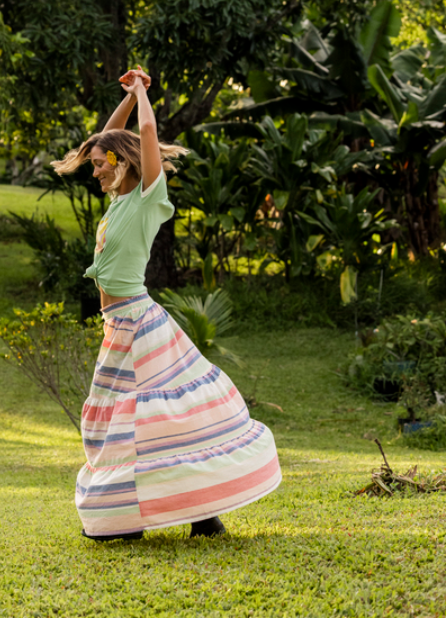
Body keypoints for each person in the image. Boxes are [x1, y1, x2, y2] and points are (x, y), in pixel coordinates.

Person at [51, 66, 281, 541]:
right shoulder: (117, 201)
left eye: (101, 164)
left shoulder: (148, 198)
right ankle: (188, 516)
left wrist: (143, 95)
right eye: (94, 163)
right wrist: (127, 101)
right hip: (120, 324)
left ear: (124, 162)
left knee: (153, 418)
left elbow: (147, 134)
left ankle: (161, 517)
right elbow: (110, 136)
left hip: (137, 322)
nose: (95, 170)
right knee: (141, 420)